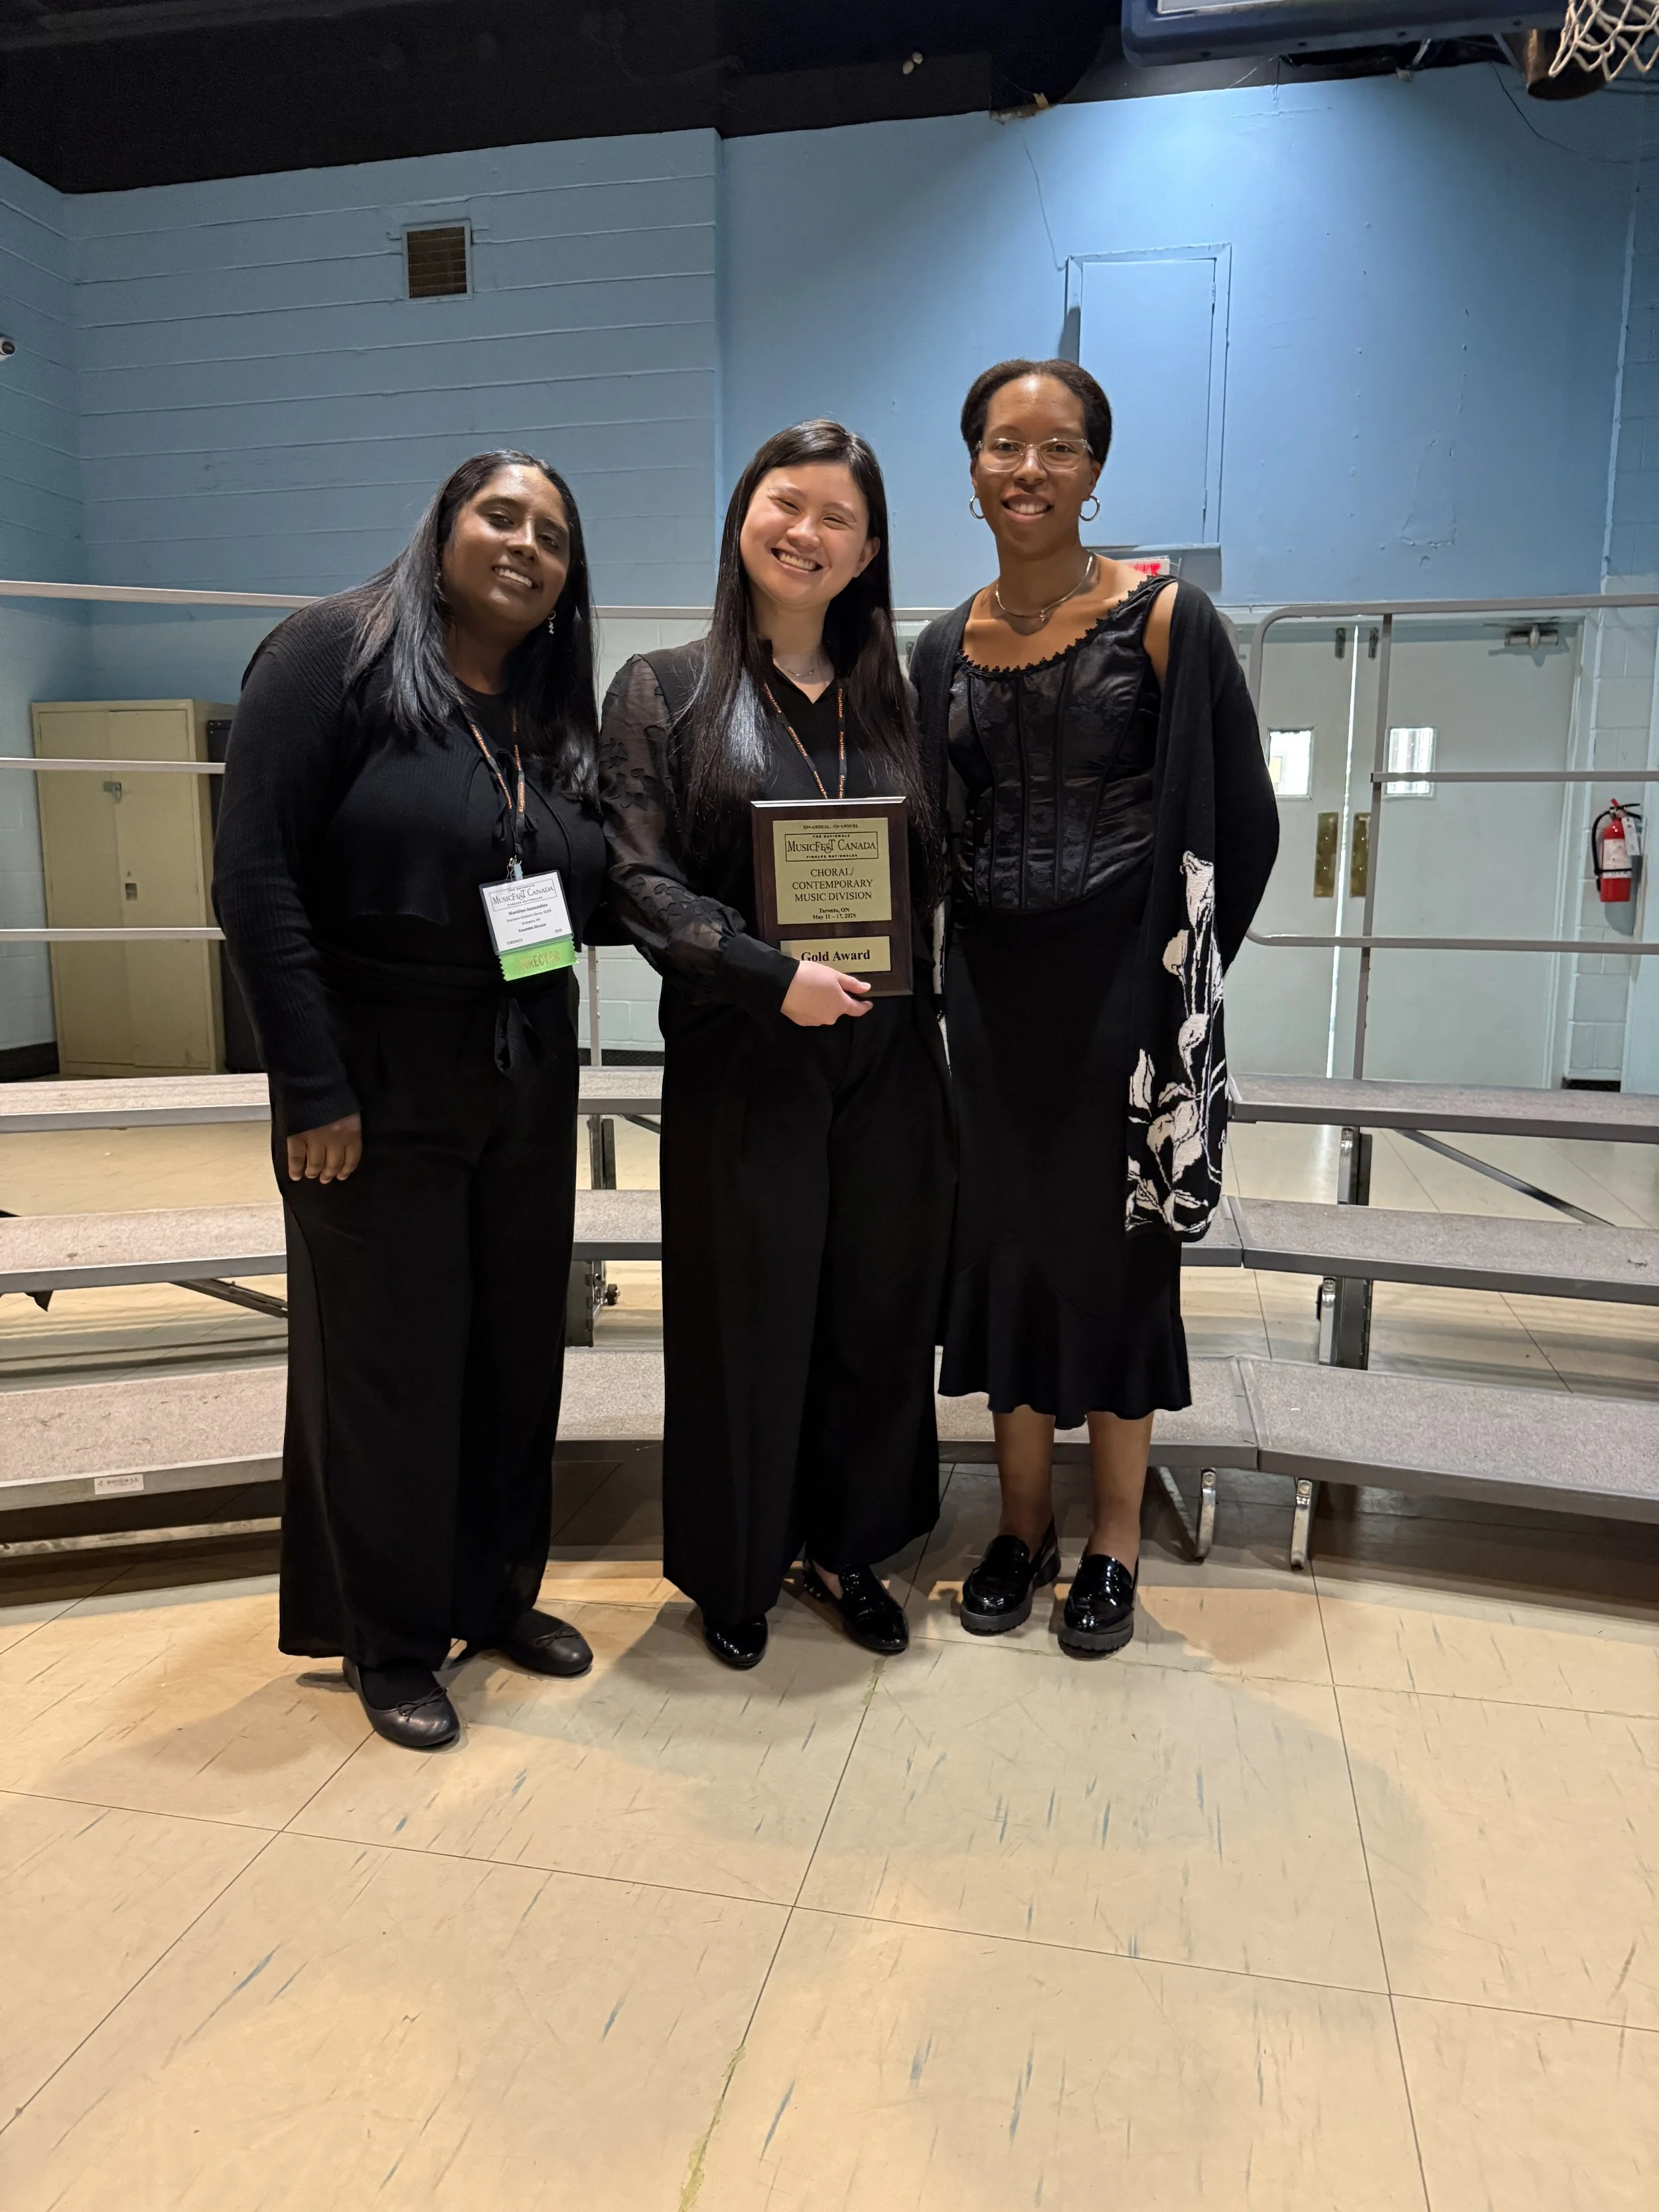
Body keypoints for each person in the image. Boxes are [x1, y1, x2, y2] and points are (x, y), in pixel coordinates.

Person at [215, 449, 614, 1750]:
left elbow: (573, 892)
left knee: (512, 1354)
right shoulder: (328, 655)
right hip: (370, 1081)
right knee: (388, 1369)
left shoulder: (545, 711)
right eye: (501, 515)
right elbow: (256, 881)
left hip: (522, 1072)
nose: (525, 544)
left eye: (552, 534)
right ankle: (386, 1639)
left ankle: (492, 1596)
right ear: (442, 528)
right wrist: (309, 1085)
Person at [909, 360, 1278, 1658]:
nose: (1029, 469)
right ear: (971, 469)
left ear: (1093, 471)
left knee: (1121, 1262)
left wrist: (1176, 985)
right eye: (1003, 446)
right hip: (988, 998)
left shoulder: (1168, 617)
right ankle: (1020, 1526)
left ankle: (1113, 1537)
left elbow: (1246, 820)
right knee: (1003, 1251)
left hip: (1125, 994)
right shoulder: (939, 646)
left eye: (1057, 447)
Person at [599, 419, 953, 1670]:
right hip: (744, 1055)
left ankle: (849, 1549)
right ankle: (738, 1565)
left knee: (873, 1317)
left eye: (838, 518)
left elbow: (946, 870)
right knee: (742, 1321)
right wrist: (770, 975)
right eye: (785, 504)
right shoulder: (664, 689)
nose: (807, 533)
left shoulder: (900, 701)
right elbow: (638, 880)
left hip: (889, 1064)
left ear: (869, 553)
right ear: (743, 514)